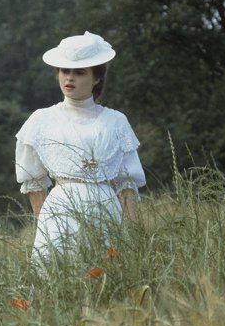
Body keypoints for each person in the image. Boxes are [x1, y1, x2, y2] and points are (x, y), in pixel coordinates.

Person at [15, 31, 146, 263]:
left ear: (96, 78)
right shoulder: (41, 119)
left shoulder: (116, 121)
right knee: (58, 279)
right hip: (59, 213)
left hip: (106, 211)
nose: (70, 78)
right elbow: (33, 181)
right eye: (65, 71)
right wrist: (44, 227)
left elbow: (127, 184)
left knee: (107, 276)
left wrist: (133, 235)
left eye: (79, 72)